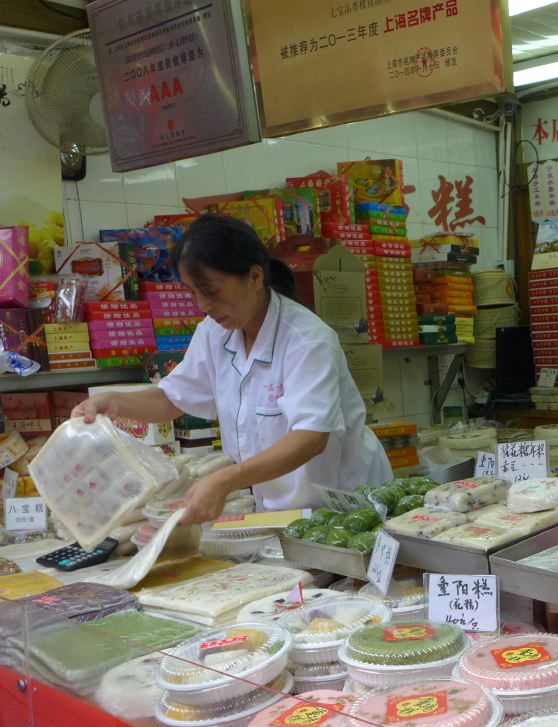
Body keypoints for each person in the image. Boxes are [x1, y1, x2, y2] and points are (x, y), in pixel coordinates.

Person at [72, 214, 391, 523]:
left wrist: (226, 480)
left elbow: (311, 437)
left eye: (212, 291)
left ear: (255, 277)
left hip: (345, 507)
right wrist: (113, 401)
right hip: (279, 510)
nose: (203, 305)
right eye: (192, 292)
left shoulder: (308, 340)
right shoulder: (214, 333)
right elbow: (172, 399)